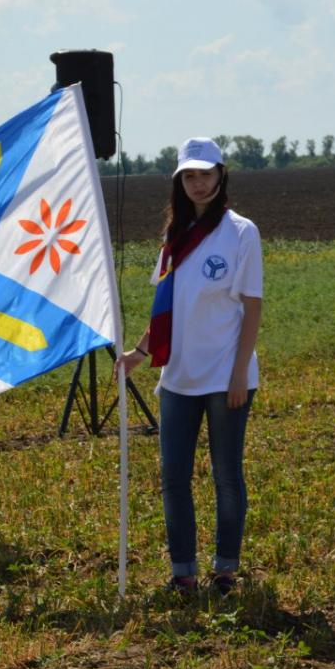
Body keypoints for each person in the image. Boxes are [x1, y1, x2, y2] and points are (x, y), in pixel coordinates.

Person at [116, 137, 262, 596]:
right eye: (190, 176)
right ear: (181, 181)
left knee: (226, 475)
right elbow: (167, 309)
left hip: (225, 377)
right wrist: (139, 353)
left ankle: (225, 571)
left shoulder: (241, 232)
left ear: (222, 175)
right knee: (173, 478)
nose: (199, 183)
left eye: (206, 174)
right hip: (177, 377)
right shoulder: (173, 237)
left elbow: (253, 308)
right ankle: (183, 572)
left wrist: (240, 373)